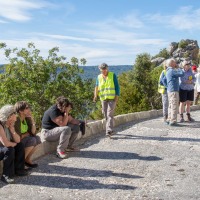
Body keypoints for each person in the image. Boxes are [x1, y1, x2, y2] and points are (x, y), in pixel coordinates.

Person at [0, 105, 29, 184]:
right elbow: (5, 143)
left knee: (20, 145)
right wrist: (13, 144)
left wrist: (12, 129)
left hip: (3, 147)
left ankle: (19, 170)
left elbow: (18, 140)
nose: (15, 115)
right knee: (9, 149)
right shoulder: (0, 125)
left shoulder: (10, 123)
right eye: (14, 113)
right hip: (2, 147)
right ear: (9, 116)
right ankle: (6, 175)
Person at [93, 63, 120, 136]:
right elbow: (96, 87)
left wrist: (117, 96)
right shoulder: (99, 77)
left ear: (107, 68)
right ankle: (109, 129)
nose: (104, 71)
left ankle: (109, 130)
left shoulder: (112, 75)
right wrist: (95, 96)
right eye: (102, 70)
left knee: (109, 114)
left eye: (105, 69)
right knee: (105, 114)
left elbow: (117, 86)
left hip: (112, 98)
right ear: (100, 70)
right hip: (103, 98)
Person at [14, 101, 41, 168]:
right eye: (27, 108)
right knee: (32, 140)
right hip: (16, 142)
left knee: (37, 138)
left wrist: (32, 120)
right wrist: (26, 134)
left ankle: (27, 159)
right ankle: (20, 163)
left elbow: (33, 133)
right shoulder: (17, 119)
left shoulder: (27, 118)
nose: (29, 109)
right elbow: (18, 137)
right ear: (20, 111)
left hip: (24, 139)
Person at [166, 58, 184, 126]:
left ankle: (169, 119)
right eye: (174, 62)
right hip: (174, 90)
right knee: (174, 105)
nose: (176, 63)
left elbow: (164, 80)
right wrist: (179, 68)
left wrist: (168, 85)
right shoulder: (172, 70)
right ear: (172, 63)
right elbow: (182, 74)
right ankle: (173, 121)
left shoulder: (167, 71)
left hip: (169, 90)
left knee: (170, 105)